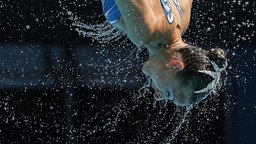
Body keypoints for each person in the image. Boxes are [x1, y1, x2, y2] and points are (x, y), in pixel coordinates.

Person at [101, 0, 227, 106]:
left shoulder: (182, 19)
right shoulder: (143, 33)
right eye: (168, 93)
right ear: (174, 66)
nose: (158, 96)